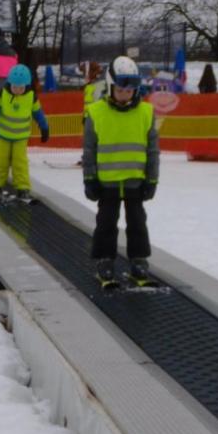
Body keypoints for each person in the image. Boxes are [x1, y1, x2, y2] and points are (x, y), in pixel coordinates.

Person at [83, 56, 159, 287]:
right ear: (110, 86)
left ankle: (138, 259)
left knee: (137, 222)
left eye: (130, 90)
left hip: (136, 181)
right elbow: (89, 149)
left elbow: (153, 149)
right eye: (121, 89)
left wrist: (152, 179)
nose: (126, 94)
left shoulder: (146, 112)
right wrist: (89, 178)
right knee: (106, 222)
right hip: (107, 183)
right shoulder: (97, 112)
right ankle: (105, 260)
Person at [0, 63, 49, 204]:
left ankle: (23, 188)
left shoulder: (31, 96)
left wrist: (44, 127)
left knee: (20, 163)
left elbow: (38, 113)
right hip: (3, 137)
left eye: (21, 87)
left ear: (26, 86)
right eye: (14, 87)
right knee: (0, 162)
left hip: (20, 138)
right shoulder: (2, 94)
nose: (17, 90)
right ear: (9, 84)